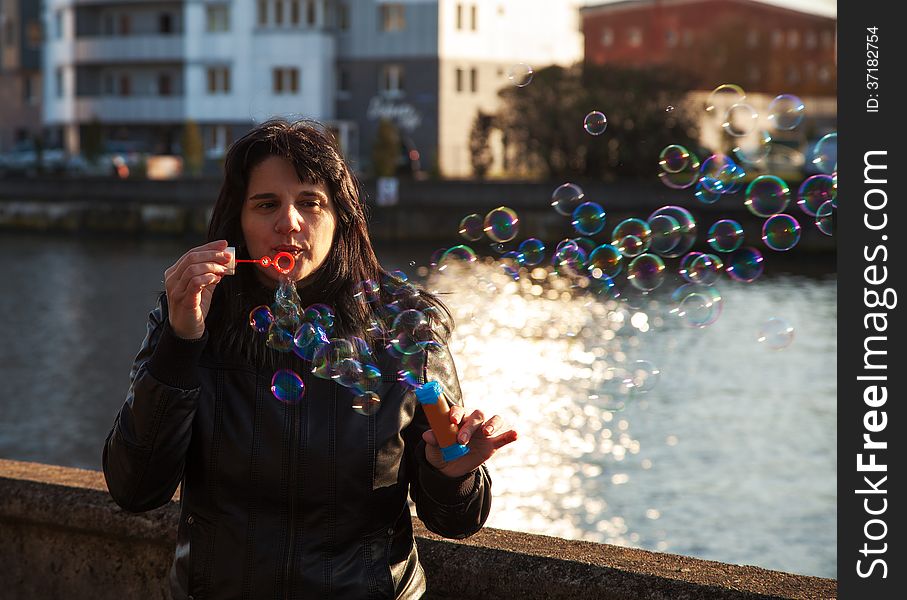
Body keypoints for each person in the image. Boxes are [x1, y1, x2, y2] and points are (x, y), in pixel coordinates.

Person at [102, 118, 518, 599]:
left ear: (341, 218)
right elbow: (134, 490)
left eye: (309, 202)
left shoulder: (403, 326)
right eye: (265, 204)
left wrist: (455, 473)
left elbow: (456, 520)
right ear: (237, 221)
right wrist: (180, 343)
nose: (289, 222)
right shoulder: (192, 318)